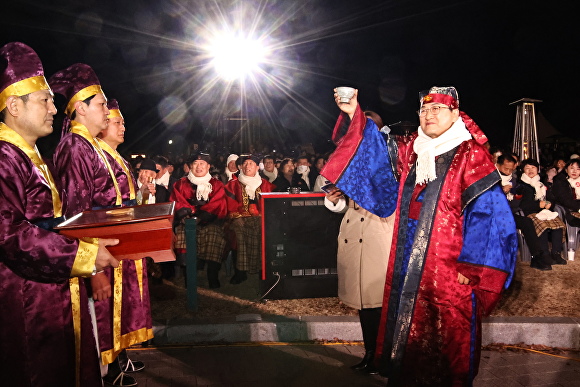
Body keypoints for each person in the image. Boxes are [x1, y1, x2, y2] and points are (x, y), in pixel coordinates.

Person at [321, 86, 517, 386]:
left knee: (449, 332)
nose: (429, 114)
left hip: (450, 268)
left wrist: (473, 265)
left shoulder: (470, 154)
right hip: (408, 261)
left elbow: (490, 215)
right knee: (409, 327)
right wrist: (354, 115)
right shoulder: (413, 150)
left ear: (455, 113)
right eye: (424, 110)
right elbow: (374, 157)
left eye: (437, 108)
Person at [0, 42, 119, 387]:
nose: (55, 108)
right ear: (13, 106)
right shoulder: (6, 158)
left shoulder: (28, 155)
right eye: (45, 100)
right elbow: (11, 234)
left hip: (48, 290)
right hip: (24, 298)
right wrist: (84, 255)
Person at [49, 64, 140, 387]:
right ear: (80, 109)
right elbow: (77, 216)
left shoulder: (87, 146)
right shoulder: (76, 148)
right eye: (100, 104)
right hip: (90, 256)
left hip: (100, 250)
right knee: (92, 322)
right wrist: (95, 270)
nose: (106, 110)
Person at [324, 110, 396, 375]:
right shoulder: (353, 158)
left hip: (379, 234)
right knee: (365, 305)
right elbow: (350, 204)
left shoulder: (390, 154)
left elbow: (386, 196)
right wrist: (336, 198)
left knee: (379, 302)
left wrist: (355, 188)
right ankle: (371, 355)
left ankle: (385, 357)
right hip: (356, 234)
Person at [97, 99, 153, 377]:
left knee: (124, 304)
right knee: (111, 308)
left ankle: (121, 356)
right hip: (109, 246)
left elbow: (128, 203)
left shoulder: (118, 158)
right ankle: (110, 365)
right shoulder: (97, 155)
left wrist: (142, 190)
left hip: (124, 243)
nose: (123, 127)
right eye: (117, 122)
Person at [170, 152, 228, 288]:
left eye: (202, 164)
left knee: (214, 235)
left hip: (210, 221)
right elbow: (177, 200)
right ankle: (189, 277)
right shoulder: (181, 183)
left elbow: (218, 203)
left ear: (208, 166)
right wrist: (187, 215)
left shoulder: (217, 184)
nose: (198, 167)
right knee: (183, 236)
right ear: (190, 166)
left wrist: (201, 217)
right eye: (195, 164)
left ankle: (212, 275)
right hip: (187, 221)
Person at [224, 154, 274, 284]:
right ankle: (240, 272)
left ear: (257, 167)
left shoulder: (266, 184)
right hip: (240, 219)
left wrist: (263, 217)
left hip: (260, 219)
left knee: (264, 233)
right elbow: (230, 204)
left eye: (251, 163)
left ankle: (261, 269)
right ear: (240, 166)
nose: (247, 166)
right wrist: (236, 218)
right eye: (245, 164)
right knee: (238, 234)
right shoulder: (233, 184)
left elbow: (271, 206)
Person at [497, 154, 552, 270]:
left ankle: (536, 256)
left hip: (508, 214)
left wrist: (514, 196)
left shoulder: (515, 182)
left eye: (511, 169)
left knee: (527, 222)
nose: (508, 172)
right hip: (492, 213)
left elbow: (518, 203)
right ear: (498, 165)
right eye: (505, 168)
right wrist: (501, 193)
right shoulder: (491, 179)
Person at [515, 158, 566, 266]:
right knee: (542, 225)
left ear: (538, 170)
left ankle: (556, 253)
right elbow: (521, 205)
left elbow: (551, 198)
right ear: (523, 170)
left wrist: (549, 203)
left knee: (557, 224)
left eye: (533, 167)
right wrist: (538, 205)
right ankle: (544, 254)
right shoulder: (520, 186)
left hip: (544, 212)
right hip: (529, 213)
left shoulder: (541, 184)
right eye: (527, 168)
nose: (530, 170)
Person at [549, 158, 580, 227]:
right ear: (566, 170)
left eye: (578, 169)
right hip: (569, 212)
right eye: (572, 168)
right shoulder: (560, 181)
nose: (575, 171)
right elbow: (566, 201)